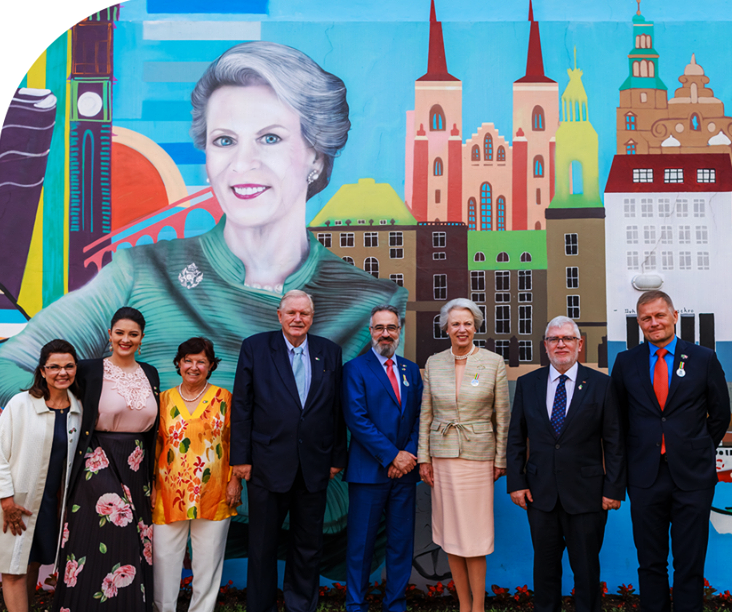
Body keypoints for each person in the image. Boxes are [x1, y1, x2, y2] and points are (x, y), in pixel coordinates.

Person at [0, 40, 406, 404]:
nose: (243, 164)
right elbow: (13, 363)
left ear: (316, 156)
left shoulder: (369, 304)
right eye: (225, 141)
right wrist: (84, 419)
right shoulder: (142, 273)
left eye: (270, 138)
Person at [611, 290, 730, 612]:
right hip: (645, 477)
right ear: (639, 323)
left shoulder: (703, 358)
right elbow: (618, 419)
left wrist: (699, 446)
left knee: (689, 563)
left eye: (659, 315)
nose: (654, 323)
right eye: (646, 318)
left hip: (692, 477)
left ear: (674, 316)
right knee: (650, 563)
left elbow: (720, 412)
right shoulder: (625, 362)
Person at [230, 289, 346, 612]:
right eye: (291, 313)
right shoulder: (255, 347)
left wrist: (336, 457)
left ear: (312, 317)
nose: (298, 319)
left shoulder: (330, 352)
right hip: (266, 466)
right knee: (262, 547)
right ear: (279, 316)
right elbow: (242, 405)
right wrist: (240, 459)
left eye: (304, 314)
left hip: (314, 468)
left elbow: (335, 409)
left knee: (308, 547)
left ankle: (300, 607)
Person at [506, 316, 625, 612]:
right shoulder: (527, 383)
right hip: (540, 493)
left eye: (567, 339)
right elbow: (516, 437)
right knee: (544, 571)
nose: (561, 344)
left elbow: (614, 442)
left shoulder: (602, 384)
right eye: (554, 339)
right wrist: (516, 483)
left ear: (579, 344)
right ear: (545, 346)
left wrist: (613, 489)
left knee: (586, 571)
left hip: (587, 495)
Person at [52, 307, 160, 612]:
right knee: (111, 527)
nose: (125, 339)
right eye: (120, 333)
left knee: (137, 539)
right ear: (109, 334)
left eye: (133, 334)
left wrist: (151, 476)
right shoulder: (88, 369)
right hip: (97, 459)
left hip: (137, 466)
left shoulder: (150, 373)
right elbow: (58, 392)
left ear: (141, 338)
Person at [417, 298, 510, 612]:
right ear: (446, 327)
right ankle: (464, 605)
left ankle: (479, 607)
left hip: (478, 458)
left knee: (476, 535)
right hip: (442, 458)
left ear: (476, 327)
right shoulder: (433, 363)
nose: (461, 329)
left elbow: (502, 416)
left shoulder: (494, 363)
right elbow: (425, 415)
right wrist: (423, 458)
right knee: (451, 534)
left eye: (467, 323)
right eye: (455, 323)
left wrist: (501, 459)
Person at [341, 305, 423, 612]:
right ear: (370, 332)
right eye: (379, 328)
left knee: (401, 543)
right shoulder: (355, 369)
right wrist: (392, 457)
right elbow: (357, 419)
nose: (385, 333)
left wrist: (409, 455)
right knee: (361, 545)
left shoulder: (411, 370)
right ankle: (355, 605)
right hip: (368, 473)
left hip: (405, 473)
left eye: (391, 327)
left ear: (399, 332)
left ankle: (395, 604)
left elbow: (418, 416)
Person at [153, 337, 242, 612]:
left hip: (214, 492)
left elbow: (236, 442)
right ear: (178, 364)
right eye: (188, 360)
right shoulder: (162, 400)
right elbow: (154, 447)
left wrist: (235, 481)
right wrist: (152, 488)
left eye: (201, 361)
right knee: (165, 561)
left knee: (208, 562)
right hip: (169, 494)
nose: (194, 366)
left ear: (211, 365)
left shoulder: (225, 399)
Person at [0, 340, 82, 612]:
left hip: (51, 505)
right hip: (16, 502)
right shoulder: (20, 404)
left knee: (33, 562)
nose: (62, 372)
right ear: (42, 371)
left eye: (69, 366)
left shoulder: (79, 410)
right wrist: (6, 502)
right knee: (13, 569)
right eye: (54, 366)